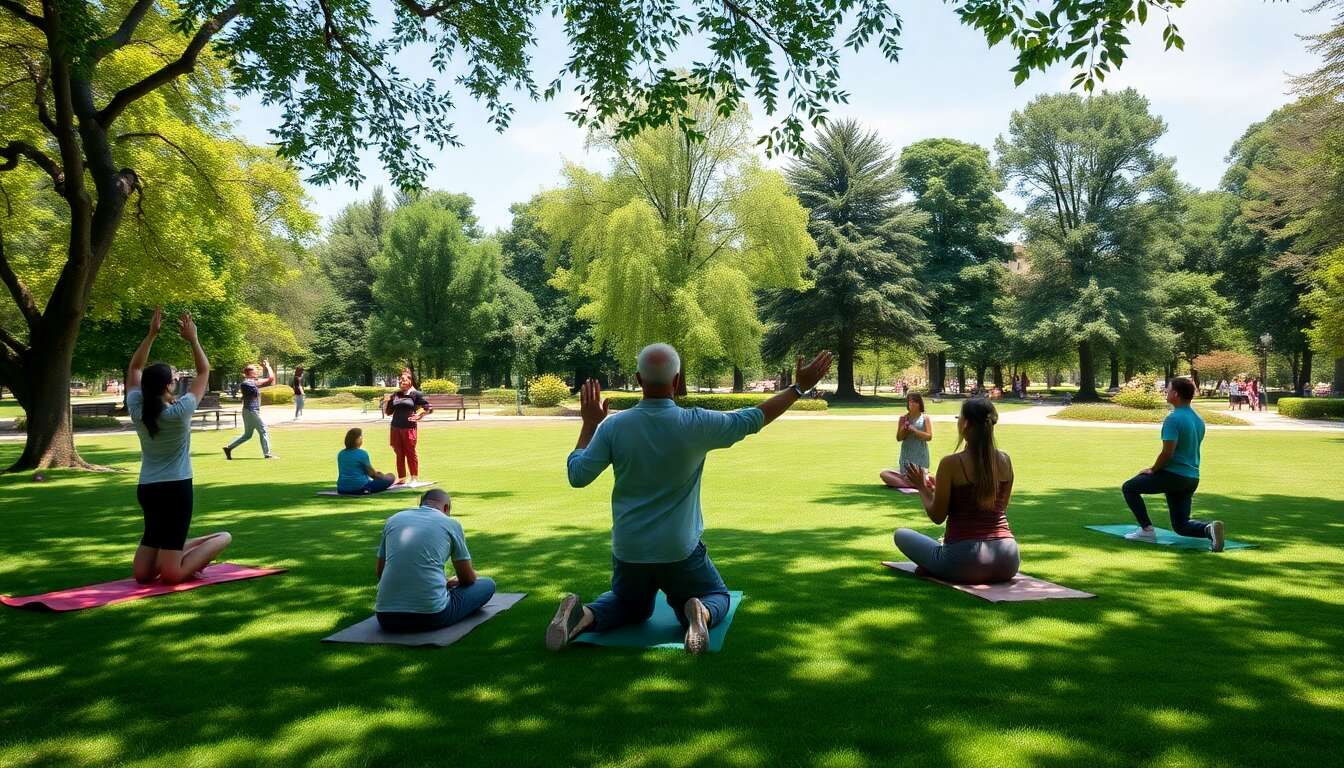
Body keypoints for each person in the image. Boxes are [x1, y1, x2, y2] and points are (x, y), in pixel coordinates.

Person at [546, 343, 834, 654]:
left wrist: (589, 424)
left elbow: (578, 476)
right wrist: (798, 388)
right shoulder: (696, 423)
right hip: (679, 550)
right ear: (678, 380)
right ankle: (701, 611)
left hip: (630, 550)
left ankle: (584, 614)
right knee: (717, 596)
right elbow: (755, 418)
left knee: (629, 607)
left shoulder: (614, 426)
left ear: (639, 381)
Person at [126, 308, 232, 584]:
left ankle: (186, 548)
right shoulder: (180, 411)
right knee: (152, 575)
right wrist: (193, 340)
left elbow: (135, 368)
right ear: (169, 385)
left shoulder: (138, 407)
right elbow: (203, 370)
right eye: (173, 377)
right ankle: (218, 539)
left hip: (151, 488)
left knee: (157, 573)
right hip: (171, 489)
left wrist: (151, 336)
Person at [892, 398, 1019, 584]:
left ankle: (935, 566)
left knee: (901, 534)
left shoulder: (951, 463)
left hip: (965, 562)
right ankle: (936, 564)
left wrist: (921, 486)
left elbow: (937, 516)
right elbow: (997, 508)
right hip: (1008, 560)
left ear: (966, 423)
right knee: (939, 546)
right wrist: (942, 490)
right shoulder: (1005, 460)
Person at [1121, 377, 1225, 551]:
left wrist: (1153, 470)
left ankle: (1146, 530)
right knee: (1181, 526)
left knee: (1129, 487)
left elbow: (1168, 452)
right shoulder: (1197, 419)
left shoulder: (1173, 419)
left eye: (1167, 390)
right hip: (1191, 478)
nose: (1166, 392)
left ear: (1175, 394)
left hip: (1174, 476)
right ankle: (1209, 529)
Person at [374, 489, 496, 633]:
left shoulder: (393, 520)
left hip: (386, 617)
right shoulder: (450, 523)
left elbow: (380, 573)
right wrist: (456, 580)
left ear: (421, 504)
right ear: (446, 508)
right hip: (431, 616)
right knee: (488, 584)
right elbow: (468, 579)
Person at [385, 370, 431, 484]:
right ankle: (401, 478)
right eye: (400, 380)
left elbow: (427, 407)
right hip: (395, 427)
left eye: (404, 380)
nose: (402, 381)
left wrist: (419, 415)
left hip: (409, 428)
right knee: (399, 453)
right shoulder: (396, 394)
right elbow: (389, 412)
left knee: (410, 452)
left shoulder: (416, 394)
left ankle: (414, 478)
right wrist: (388, 402)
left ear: (410, 381)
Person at [223, 358, 276, 459]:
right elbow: (270, 378)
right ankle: (268, 454)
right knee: (263, 430)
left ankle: (229, 448)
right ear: (249, 373)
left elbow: (270, 379)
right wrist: (268, 367)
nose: (257, 371)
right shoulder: (248, 383)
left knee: (247, 435)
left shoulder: (251, 382)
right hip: (252, 411)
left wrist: (267, 367)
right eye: (254, 370)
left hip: (248, 411)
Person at [880, 392, 934, 490]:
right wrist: (904, 429)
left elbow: (929, 437)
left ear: (919, 404)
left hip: (920, 456)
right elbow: (899, 438)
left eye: (914, 402)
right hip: (906, 456)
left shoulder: (925, 418)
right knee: (884, 474)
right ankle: (915, 484)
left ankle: (917, 482)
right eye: (910, 402)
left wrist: (915, 430)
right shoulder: (903, 418)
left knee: (917, 476)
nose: (911, 404)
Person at [337, 428, 396, 495]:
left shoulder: (341, 453)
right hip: (360, 488)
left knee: (382, 477)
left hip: (341, 488)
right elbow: (372, 475)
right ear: (357, 439)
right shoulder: (361, 453)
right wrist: (382, 476)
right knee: (391, 476)